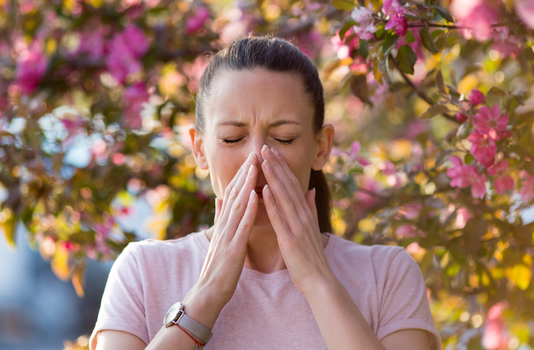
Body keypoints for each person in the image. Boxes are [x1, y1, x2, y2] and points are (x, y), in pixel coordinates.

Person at [89, 35, 441, 350]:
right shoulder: (143, 272)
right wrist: (207, 294)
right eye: (232, 139)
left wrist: (318, 282)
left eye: (283, 138)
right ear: (199, 149)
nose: (256, 158)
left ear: (321, 147)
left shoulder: (386, 275)